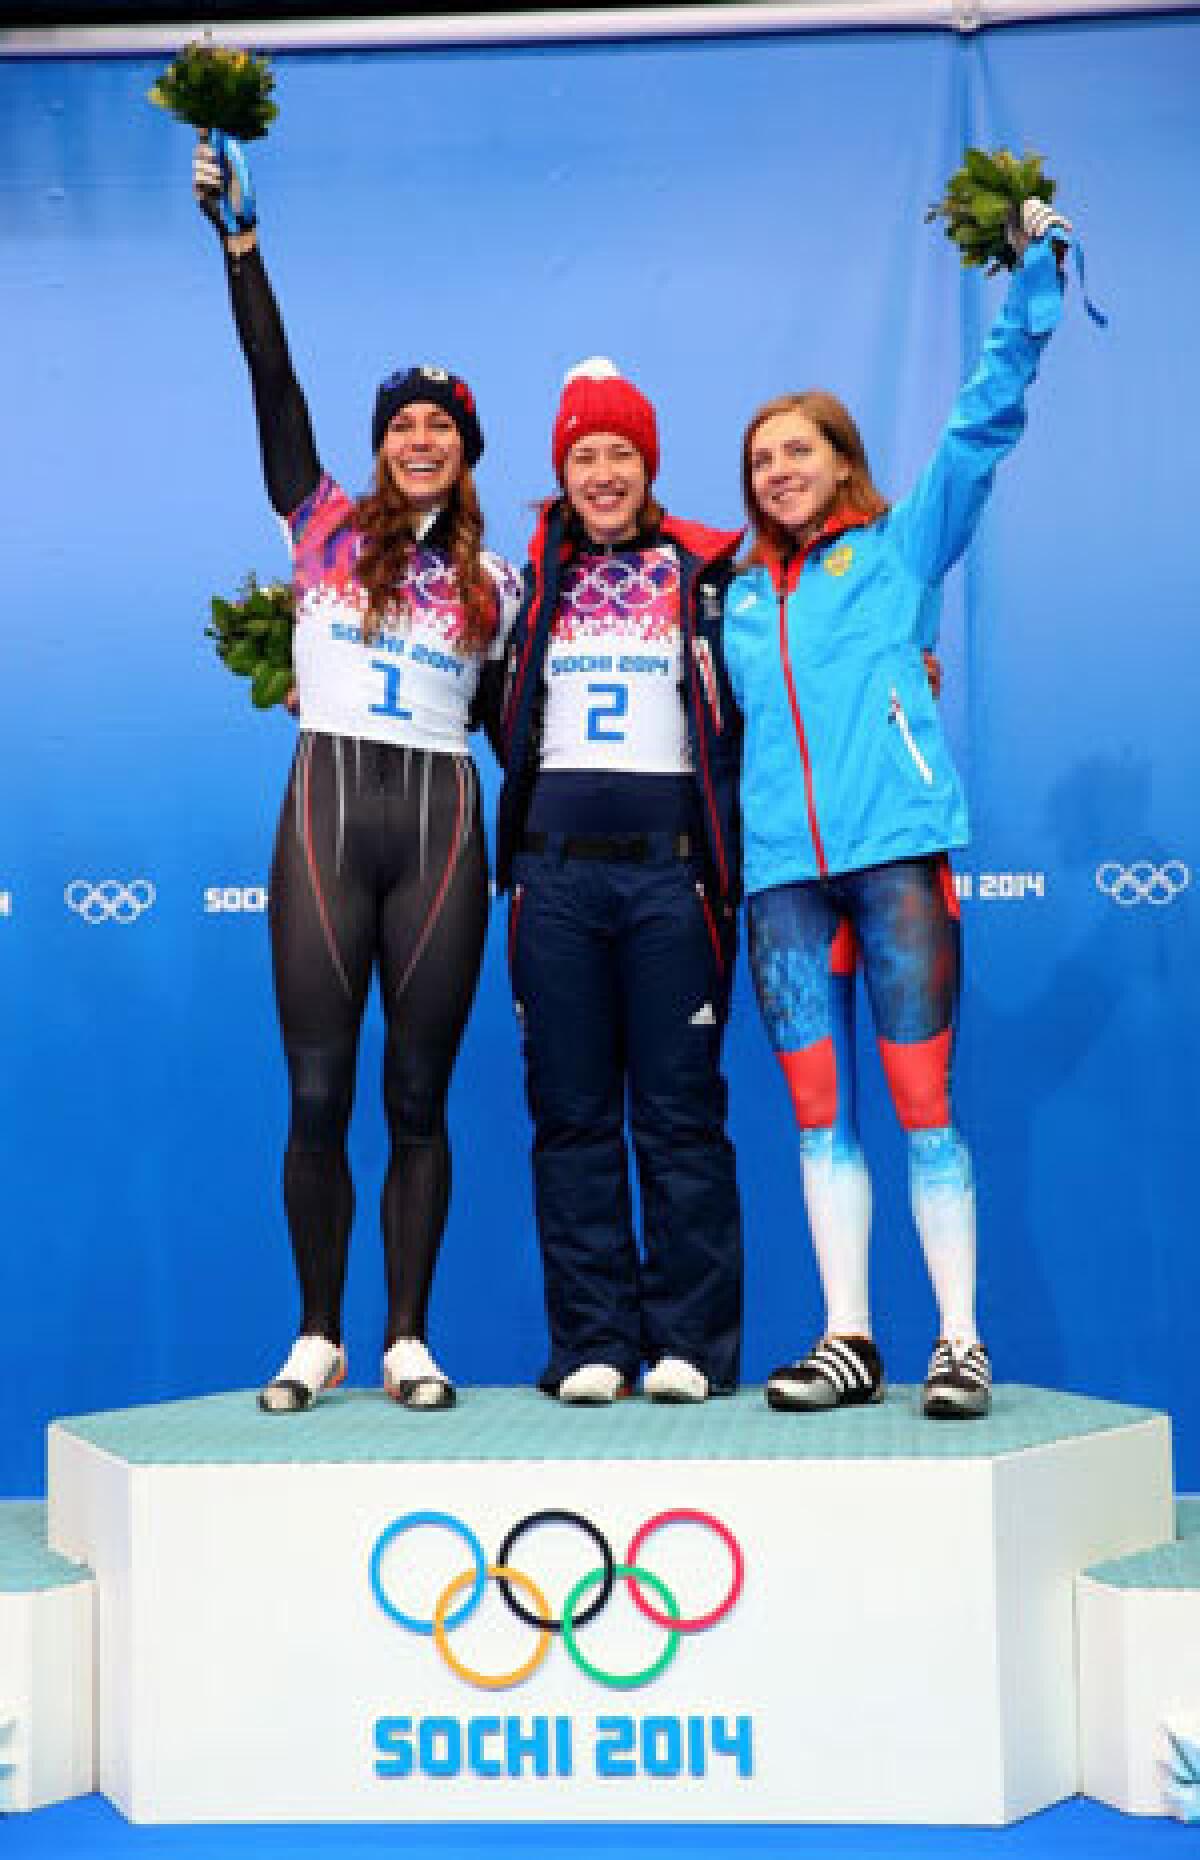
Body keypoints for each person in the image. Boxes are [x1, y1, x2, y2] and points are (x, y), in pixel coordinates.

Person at [723, 199, 1071, 1419]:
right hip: (780, 876)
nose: (778, 471)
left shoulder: (900, 549)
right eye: (762, 459)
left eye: (798, 451)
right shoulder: (731, 595)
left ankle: (960, 1342)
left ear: (842, 460)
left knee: (923, 1104)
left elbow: (980, 431)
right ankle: (847, 1338)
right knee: (818, 1113)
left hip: (897, 861)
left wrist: (1031, 292)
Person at [191, 137, 521, 1413]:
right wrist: (243, 250)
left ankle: (408, 1340)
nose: (419, 437)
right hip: (327, 814)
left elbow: (515, 724)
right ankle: (316, 1334)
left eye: (440, 423)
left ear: (465, 447)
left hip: (441, 824)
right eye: (402, 423)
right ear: (380, 447)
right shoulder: (317, 517)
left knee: (419, 1095)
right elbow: (270, 375)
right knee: (319, 1089)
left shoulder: (498, 581)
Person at [496, 361, 744, 1404]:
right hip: (552, 883)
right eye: (584, 455)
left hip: (669, 882)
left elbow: (789, 655)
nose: (603, 472)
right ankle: (593, 1343)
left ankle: (688, 1343)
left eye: (621, 454)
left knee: (680, 1115)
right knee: (571, 1114)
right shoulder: (528, 576)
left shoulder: (707, 568)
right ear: (562, 468)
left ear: (650, 465)